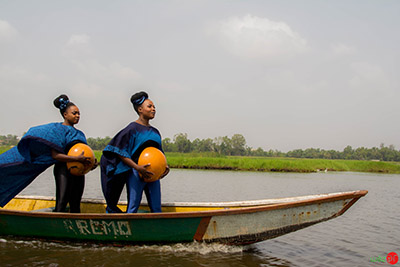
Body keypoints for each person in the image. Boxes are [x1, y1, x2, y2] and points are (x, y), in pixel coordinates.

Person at [0, 94, 94, 213]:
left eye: (79, 113)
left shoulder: (80, 134)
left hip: (79, 172)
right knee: (62, 202)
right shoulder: (57, 130)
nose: (77, 116)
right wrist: (76, 158)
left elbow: (85, 153)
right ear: (65, 115)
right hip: (63, 169)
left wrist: (90, 163)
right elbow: (55, 156)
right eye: (74, 113)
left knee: (75, 203)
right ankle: (56, 226)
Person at [100, 91, 169, 213]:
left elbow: (159, 153)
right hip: (136, 173)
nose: (153, 109)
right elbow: (120, 152)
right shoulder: (132, 129)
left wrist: (165, 167)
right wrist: (137, 168)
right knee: (133, 206)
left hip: (154, 174)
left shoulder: (155, 132)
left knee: (157, 208)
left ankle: (156, 229)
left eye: (154, 107)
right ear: (140, 109)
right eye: (150, 106)